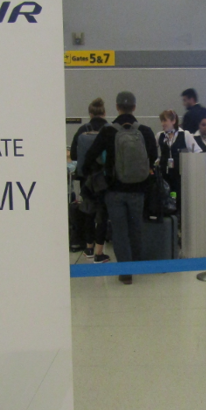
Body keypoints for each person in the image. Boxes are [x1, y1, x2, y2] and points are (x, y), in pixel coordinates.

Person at [83, 91, 158, 285]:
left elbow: (90, 156)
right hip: (139, 190)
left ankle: (125, 272)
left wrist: (93, 172)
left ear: (116, 107)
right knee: (136, 227)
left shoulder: (109, 131)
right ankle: (136, 264)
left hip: (114, 190)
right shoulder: (146, 131)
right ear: (134, 107)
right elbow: (154, 155)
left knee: (119, 230)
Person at [70, 97, 110, 263]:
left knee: (88, 214)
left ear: (90, 113)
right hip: (105, 180)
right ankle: (100, 252)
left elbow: (73, 155)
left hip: (86, 180)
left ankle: (89, 249)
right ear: (104, 113)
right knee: (102, 214)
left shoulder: (82, 130)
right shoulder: (110, 129)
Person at [156, 109, 200, 211]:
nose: (162, 124)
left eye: (165, 121)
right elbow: (152, 150)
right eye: (162, 121)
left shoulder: (185, 135)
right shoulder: (160, 135)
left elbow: (198, 152)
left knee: (180, 198)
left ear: (173, 121)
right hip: (164, 175)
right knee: (164, 198)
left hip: (180, 175)